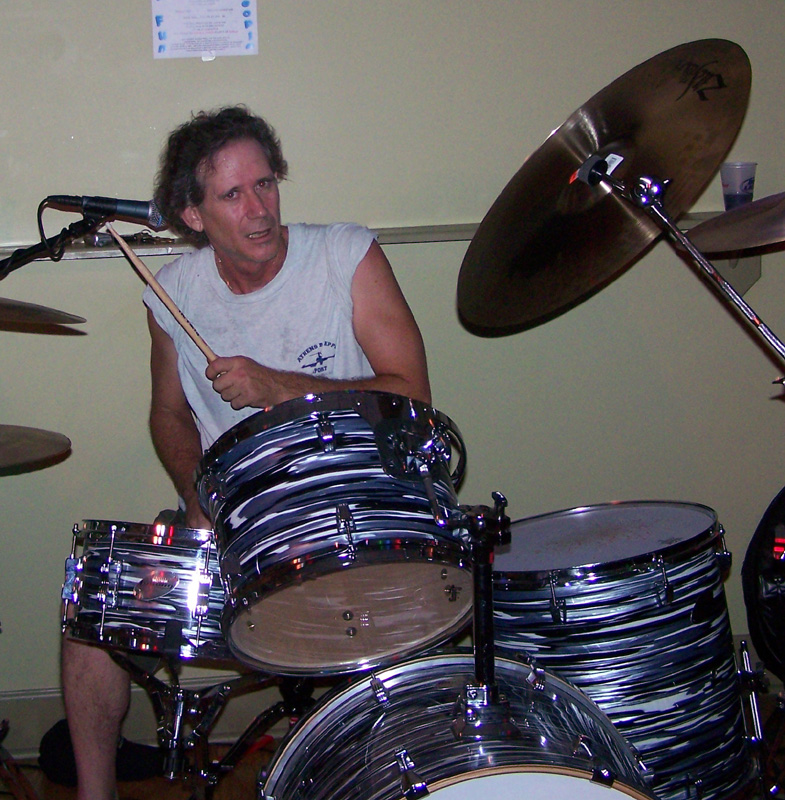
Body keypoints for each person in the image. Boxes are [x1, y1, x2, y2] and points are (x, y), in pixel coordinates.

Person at [61, 105, 431, 800]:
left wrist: (280, 386)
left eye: (265, 184)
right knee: (97, 600)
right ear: (192, 215)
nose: (259, 209)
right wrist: (195, 495)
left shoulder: (345, 255)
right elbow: (169, 414)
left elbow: (411, 392)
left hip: (353, 517)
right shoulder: (173, 293)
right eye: (233, 194)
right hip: (239, 528)